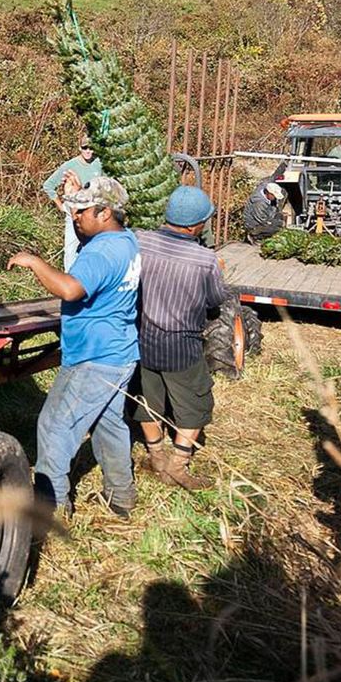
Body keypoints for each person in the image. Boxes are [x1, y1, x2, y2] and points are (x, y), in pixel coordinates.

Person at [8, 176, 140, 518]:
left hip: (94, 357)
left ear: (105, 212)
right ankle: (122, 497)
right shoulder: (126, 242)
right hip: (120, 351)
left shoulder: (102, 251)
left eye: (82, 211)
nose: (75, 217)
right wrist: (73, 198)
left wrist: (35, 262)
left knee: (54, 426)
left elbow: (70, 289)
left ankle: (51, 507)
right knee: (110, 425)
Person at [132, 186, 229, 490]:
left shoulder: (140, 241)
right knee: (194, 406)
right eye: (204, 222)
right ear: (193, 226)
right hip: (182, 347)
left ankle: (155, 455)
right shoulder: (204, 260)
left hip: (143, 340)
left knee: (147, 400)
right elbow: (215, 301)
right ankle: (178, 466)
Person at [42, 133, 103, 272]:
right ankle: (69, 279)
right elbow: (48, 186)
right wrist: (61, 205)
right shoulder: (70, 165)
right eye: (84, 148)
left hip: (93, 212)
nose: (88, 151)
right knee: (70, 248)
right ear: (79, 148)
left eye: (91, 148)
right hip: (73, 212)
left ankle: (88, 279)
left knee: (93, 248)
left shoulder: (99, 164)